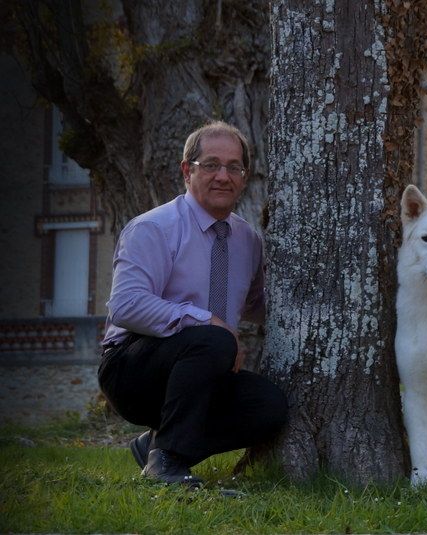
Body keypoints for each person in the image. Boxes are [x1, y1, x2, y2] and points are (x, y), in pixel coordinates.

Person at [98, 121, 287, 485]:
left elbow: (257, 306)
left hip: (204, 375)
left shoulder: (247, 240)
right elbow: (126, 306)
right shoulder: (153, 228)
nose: (223, 176)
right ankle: (167, 463)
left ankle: (160, 445)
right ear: (187, 171)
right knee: (212, 337)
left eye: (234, 167)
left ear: (244, 177)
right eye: (211, 164)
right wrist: (208, 322)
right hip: (132, 371)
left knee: (270, 406)